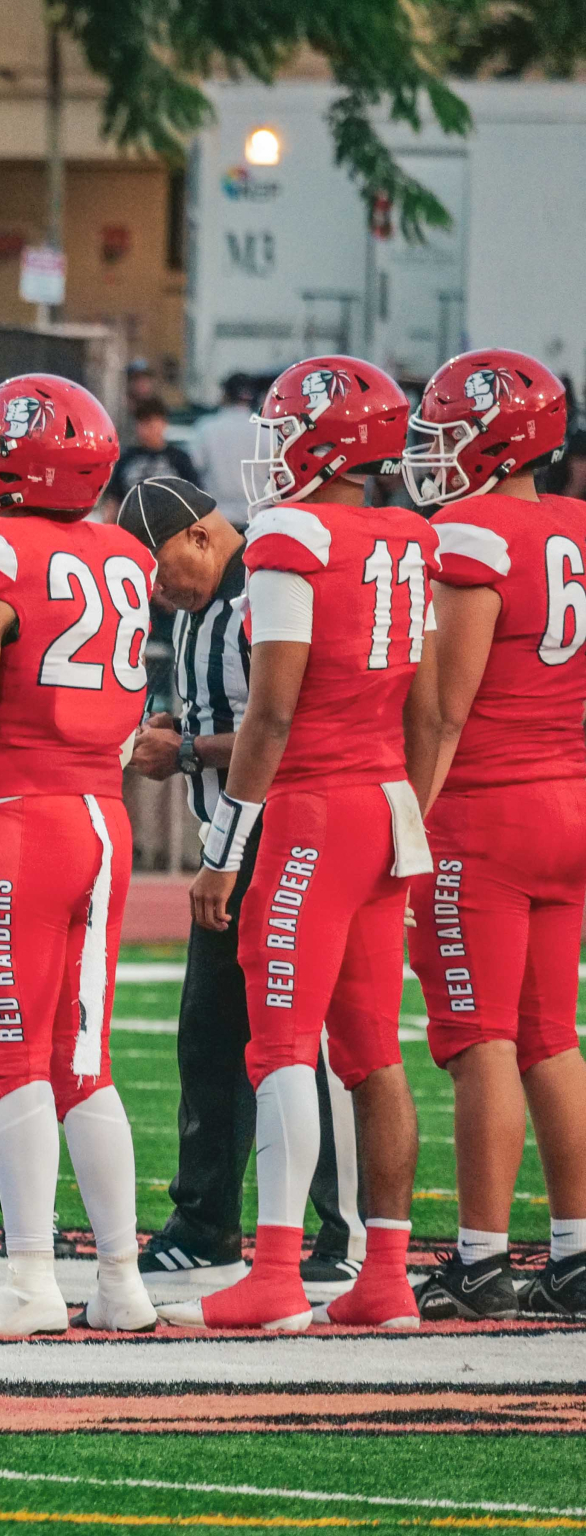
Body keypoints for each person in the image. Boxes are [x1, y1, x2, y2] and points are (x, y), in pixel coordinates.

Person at [161, 355, 436, 1332]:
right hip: (383, 803)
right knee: (371, 1053)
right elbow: (428, 710)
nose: (272, 452)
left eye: (284, 433)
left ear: (325, 443)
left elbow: (270, 713)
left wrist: (224, 849)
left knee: (279, 1042)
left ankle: (276, 1272)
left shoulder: (291, 537)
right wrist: (408, 809)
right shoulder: (408, 536)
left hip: (313, 809)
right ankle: (385, 1274)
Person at [0, 376, 158, 1335]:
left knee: (12, 1055)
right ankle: (121, 1281)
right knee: (83, 1060)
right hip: (104, 816)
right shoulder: (124, 555)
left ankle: (29, 1278)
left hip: (20, 820)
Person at [118, 478, 365, 1283]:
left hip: (277, 836)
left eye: (161, 570)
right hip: (234, 834)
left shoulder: (263, 586)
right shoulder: (203, 605)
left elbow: (282, 725)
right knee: (214, 1034)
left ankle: (341, 1230)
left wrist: (187, 752)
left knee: (297, 1037)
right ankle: (214, 1223)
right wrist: (178, 731)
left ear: (198, 535)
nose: (160, 591)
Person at [400, 349, 586, 1319]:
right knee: (552, 1038)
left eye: (449, 430)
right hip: (566, 800)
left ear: (499, 438)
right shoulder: (577, 526)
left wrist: (406, 818)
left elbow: (444, 711)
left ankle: (479, 1262)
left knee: (483, 1040)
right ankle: (576, 1255)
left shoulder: (471, 532)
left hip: (485, 814)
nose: (433, 449)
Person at [187, 373, 261, 524]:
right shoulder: (266, 427)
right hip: (260, 516)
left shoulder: (206, 428)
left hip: (219, 518)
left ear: (225, 395)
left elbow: (192, 469)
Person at [110, 399, 200, 506]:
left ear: (164, 423)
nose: (145, 430)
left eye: (150, 424)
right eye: (141, 424)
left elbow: (195, 498)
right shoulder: (126, 458)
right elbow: (114, 499)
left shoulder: (179, 458)